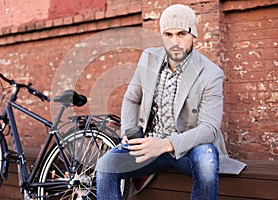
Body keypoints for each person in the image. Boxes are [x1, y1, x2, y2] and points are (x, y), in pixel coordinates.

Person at [96, 4, 246, 200]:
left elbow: (210, 129)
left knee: (206, 160)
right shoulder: (148, 58)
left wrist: (167, 144)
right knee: (105, 165)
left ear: (194, 35)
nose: (175, 42)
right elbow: (132, 98)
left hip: (189, 149)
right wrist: (129, 132)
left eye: (181, 34)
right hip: (150, 145)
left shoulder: (210, 74)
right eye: (168, 35)